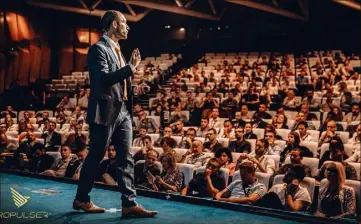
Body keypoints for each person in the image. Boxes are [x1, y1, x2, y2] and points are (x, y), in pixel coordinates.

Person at [73, 10, 157, 217]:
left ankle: (129, 204)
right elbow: (102, 80)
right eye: (124, 22)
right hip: (104, 111)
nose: (127, 26)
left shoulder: (119, 50)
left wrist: (135, 88)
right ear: (112, 24)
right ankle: (81, 199)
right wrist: (130, 68)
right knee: (95, 157)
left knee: (126, 158)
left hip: (123, 112)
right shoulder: (98, 49)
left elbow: (119, 86)